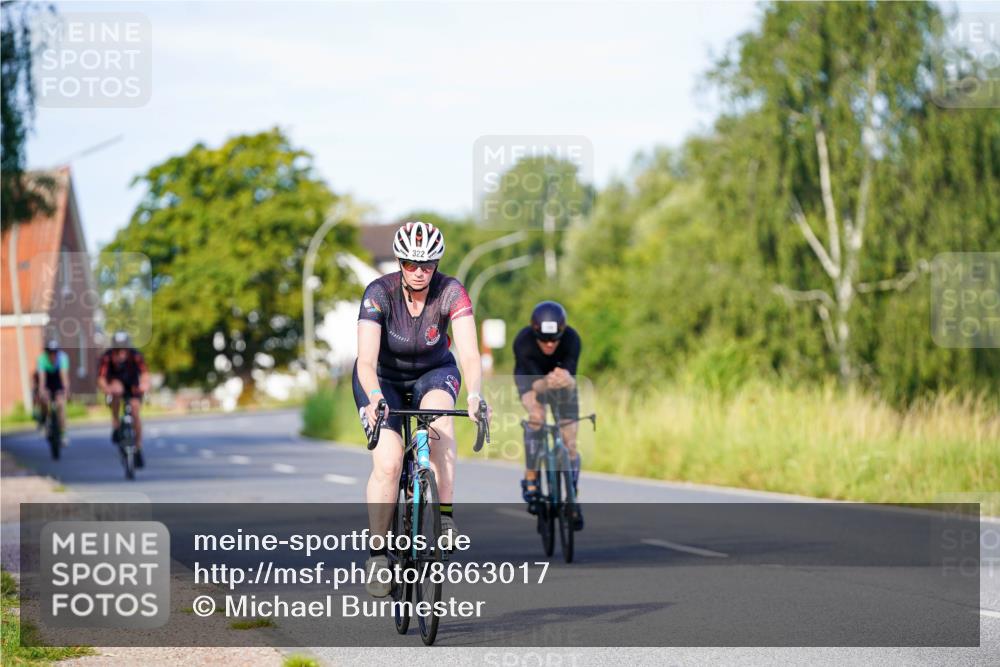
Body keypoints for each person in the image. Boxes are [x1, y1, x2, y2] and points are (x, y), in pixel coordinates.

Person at [354, 221, 490, 597]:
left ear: (437, 263)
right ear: (399, 262)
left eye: (427, 265)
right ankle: (379, 554)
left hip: (434, 373)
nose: (419, 272)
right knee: (389, 462)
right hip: (382, 379)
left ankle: (444, 518)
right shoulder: (379, 294)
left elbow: (469, 355)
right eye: (411, 264)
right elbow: (365, 361)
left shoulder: (451, 292)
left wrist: (475, 396)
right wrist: (376, 398)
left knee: (440, 425)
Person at [513, 301, 584, 529]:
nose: (550, 344)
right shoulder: (523, 342)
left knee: (570, 439)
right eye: (544, 339)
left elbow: (571, 374)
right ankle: (531, 476)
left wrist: (567, 379)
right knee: (537, 416)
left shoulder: (572, 339)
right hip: (531, 381)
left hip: (561, 384)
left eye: (555, 339)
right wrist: (550, 381)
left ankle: (571, 493)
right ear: (535, 333)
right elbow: (537, 386)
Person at [97, 332, 151, 468]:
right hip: (116, 384)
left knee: (135, 411)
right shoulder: (107, 357)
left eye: (123, 350)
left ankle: (138, 446)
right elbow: (101, 378)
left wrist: (145, 385)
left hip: (132, 386)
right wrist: (106, 388)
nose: (120, 353)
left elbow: (144, 374)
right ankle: (116, 424)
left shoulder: (136, 356)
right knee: (116, 390)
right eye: (117, 350)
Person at [36, 339, 70, 445]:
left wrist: (66, 391)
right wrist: (42, 391)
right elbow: (42, 380)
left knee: (61, 404)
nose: (53, 355)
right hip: (47, 380)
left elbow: (64, 378)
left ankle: (63, 433)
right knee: (44, 399)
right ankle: (43, 418)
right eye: (50, 353)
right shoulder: (42, 359)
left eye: (55, 352)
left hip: (58, 380)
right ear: (47, 353)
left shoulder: (63, 358)